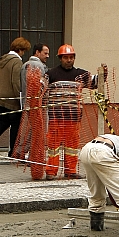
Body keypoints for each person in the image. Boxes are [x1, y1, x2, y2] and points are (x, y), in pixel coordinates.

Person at [45, 44, 105, 179]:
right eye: (66, 57)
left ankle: (70, 171)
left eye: (71, 57)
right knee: (53, 146)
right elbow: (41, 87)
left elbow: (95, 83)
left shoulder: (80, 75)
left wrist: (103, 74)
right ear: (60, 58)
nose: (69, 60)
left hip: (73, 118)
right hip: (56, 117)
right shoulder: (51, 74)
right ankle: (51, 172)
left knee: (72, 146)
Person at [0, 37, 30, 158]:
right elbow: (16, 82)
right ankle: (13, 152)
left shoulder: (3, 60)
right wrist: (21, 100)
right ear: (20, 49)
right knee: (15, 124)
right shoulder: (16, 62)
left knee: (3, 122)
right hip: (11, 100)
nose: (24, 53)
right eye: (24, 50)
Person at [16, 43, 51, 180]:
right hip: (38, 105)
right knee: (38, 132)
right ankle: (33, 157)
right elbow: (41, 86)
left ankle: (22, 153)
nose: (47, 56)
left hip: (28, 103)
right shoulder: (39, 66)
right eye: (45, 53)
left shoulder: (25, 65)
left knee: (30, 130)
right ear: (37, 52)